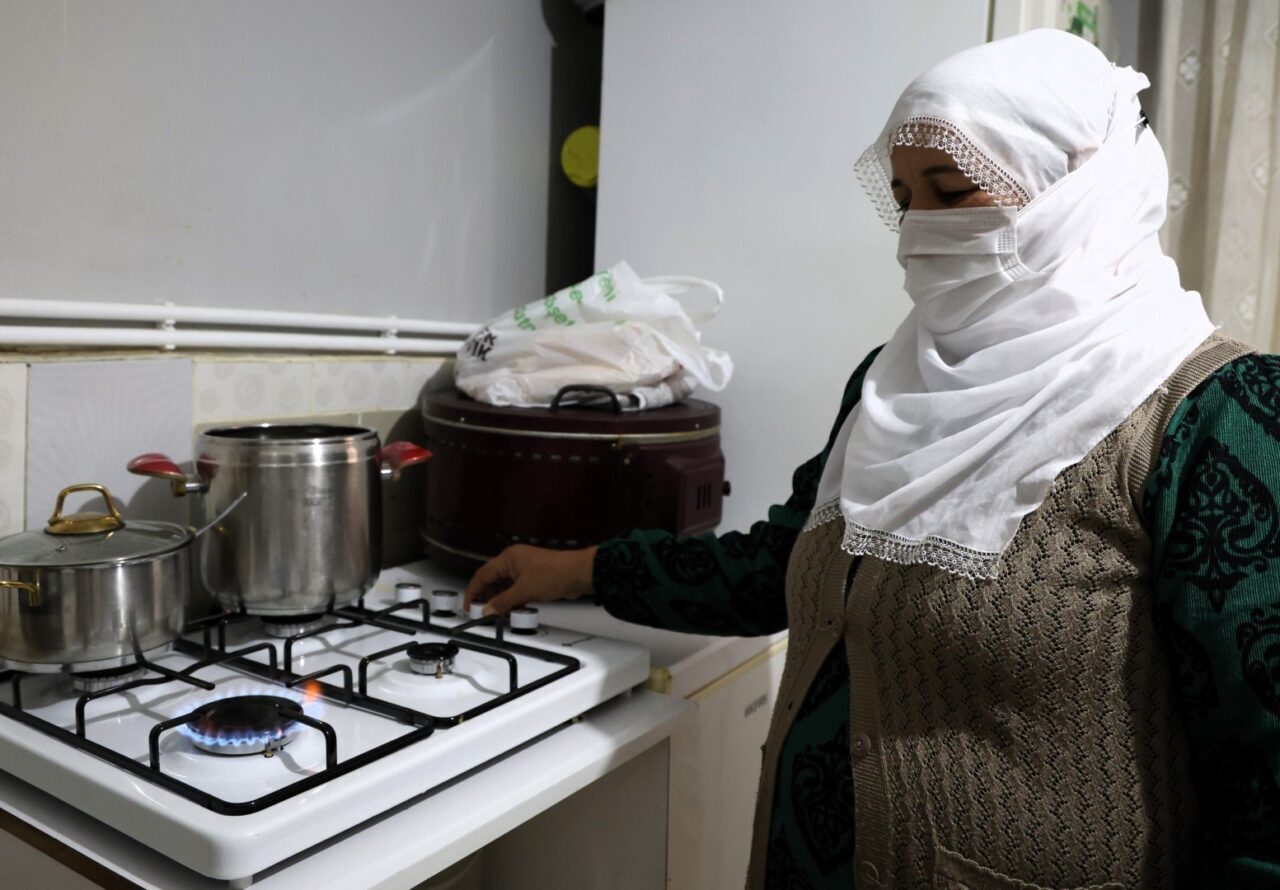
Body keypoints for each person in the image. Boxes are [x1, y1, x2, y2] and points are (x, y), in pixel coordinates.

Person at [465, 29, 1280, 889]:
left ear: (1077, 187)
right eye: (902, 199)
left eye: (951, 191)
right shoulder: (890, 384)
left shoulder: (1218, 417)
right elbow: (781, 568)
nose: (917, 232)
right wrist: (580, 569)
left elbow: (1266, 795)